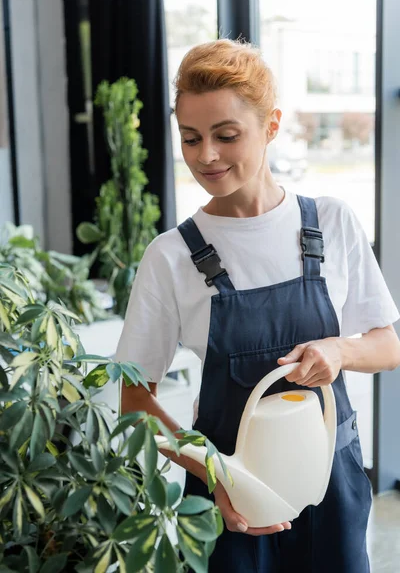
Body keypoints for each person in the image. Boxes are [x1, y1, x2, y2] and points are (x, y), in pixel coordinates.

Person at [116, 38, 400, 572]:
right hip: (229, 498)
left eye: (226, 135)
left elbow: (387, 346)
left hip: (331, 486)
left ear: (271, 126)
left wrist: (338, 351)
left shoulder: (331, 223)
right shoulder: (171, 256)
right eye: (191, 138)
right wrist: (216, 479)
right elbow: (135, 404)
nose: (206, 156)